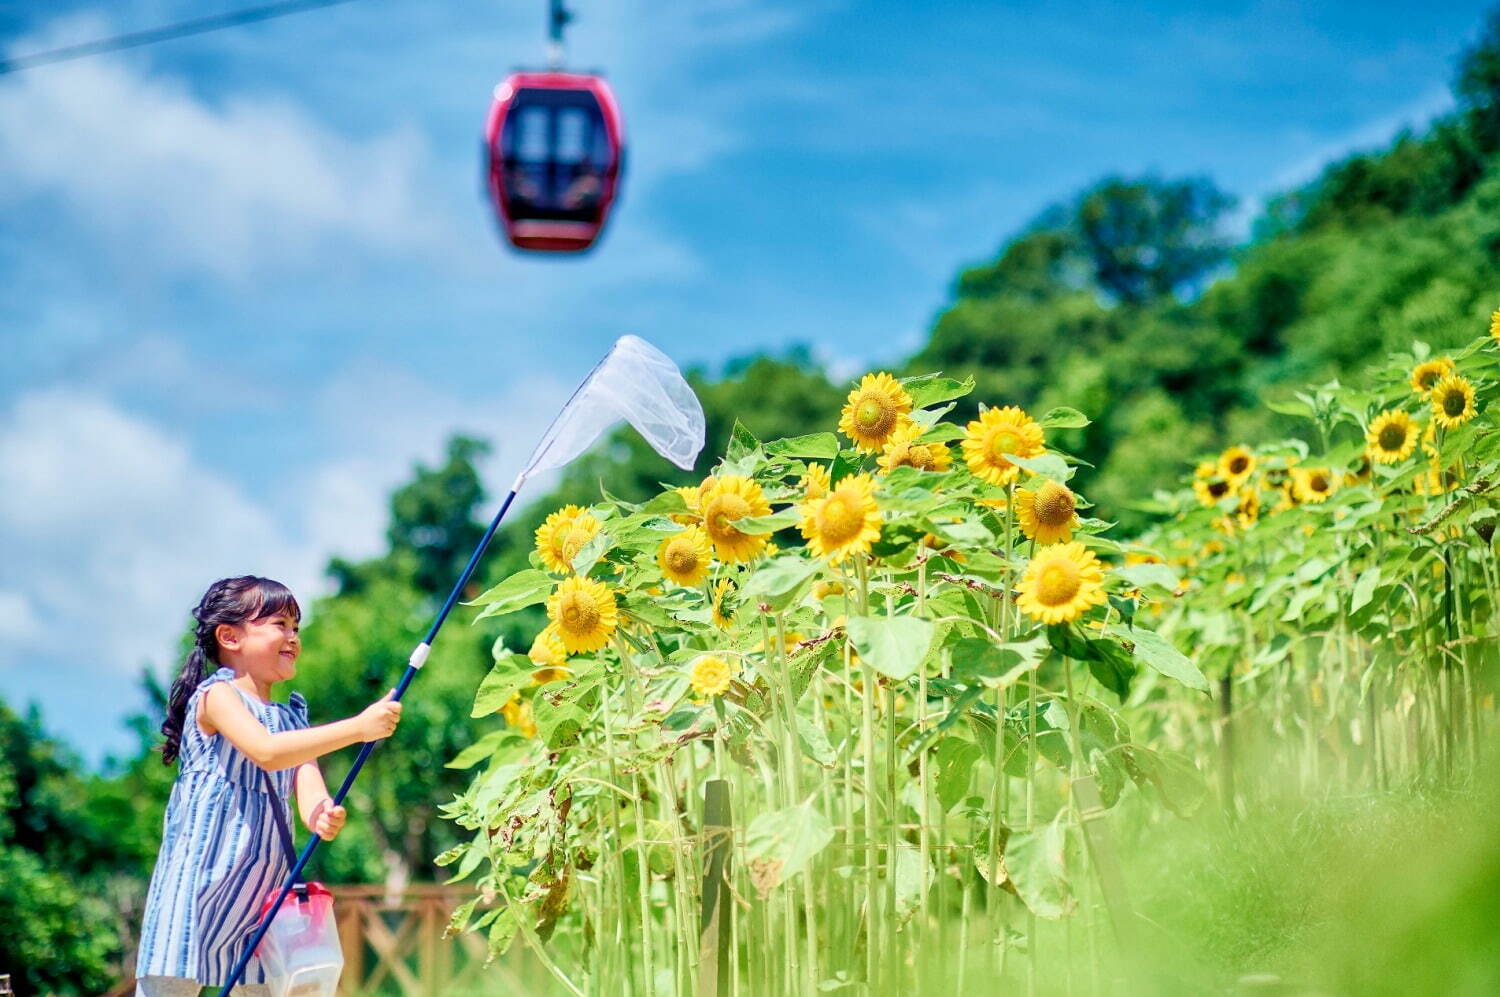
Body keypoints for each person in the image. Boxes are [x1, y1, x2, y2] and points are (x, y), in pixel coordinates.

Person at [135, 575, 403, 996]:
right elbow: (266, 751)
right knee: (173, 981)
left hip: (261, 893)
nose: (293, 637)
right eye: (280, 624)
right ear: (230, 636)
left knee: (261, 987)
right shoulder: (218, 696)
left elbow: (308, 788)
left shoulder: (292, 719)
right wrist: (358, 728)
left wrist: (321, 816)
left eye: (296, 627)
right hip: (201, 882)